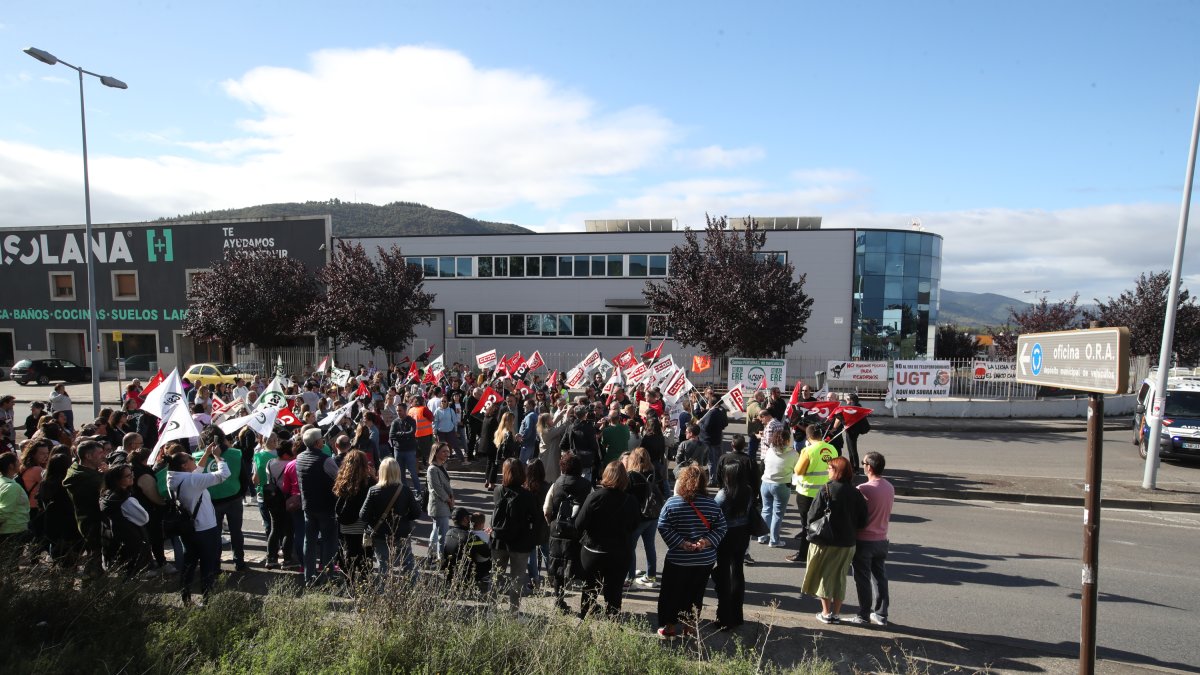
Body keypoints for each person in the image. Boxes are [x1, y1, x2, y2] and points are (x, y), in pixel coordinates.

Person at [655, 465, 726, 639]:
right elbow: (722, 527)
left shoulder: (673, 502)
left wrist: (681, 543)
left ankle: (670, 627)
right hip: (704, 559)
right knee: (695, 593)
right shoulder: (712, 504)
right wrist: (706, 542)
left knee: (672, 593)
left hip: (678, 558)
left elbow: (663, 526)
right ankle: (690, 628)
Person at [802, 457, 868, 624]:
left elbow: (812, 515)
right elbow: (863, 520)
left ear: (837, 471)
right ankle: (836, 614)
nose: (827, 471)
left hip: (826, 541)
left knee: (824, 576)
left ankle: (826, 613)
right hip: (848, 542)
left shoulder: (826, 489)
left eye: (830, 468)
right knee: (839, 577)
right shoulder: (856, 492)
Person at [166, 441, 230, 605]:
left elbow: (196, 472)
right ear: (185, 465)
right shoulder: (192, 481)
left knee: (189, 562)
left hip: (187, 528)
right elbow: (223, 474)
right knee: (208, 565)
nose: (195, 462)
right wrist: (218, 457)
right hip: (204, 527)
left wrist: (206, 454)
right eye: (192, 460)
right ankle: (207, 600)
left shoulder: (173, 478)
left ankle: (185, 597)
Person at [575, 460, 640, 618]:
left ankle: (585, 618)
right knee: (614, 593)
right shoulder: (631, 500)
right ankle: (612, 622)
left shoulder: (595, 497)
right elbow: (634, 526)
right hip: (620, 552)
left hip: (593, 550)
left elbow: (579, 524)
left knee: (589, 589)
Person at [849, 451, 894, 627]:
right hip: (882, 538)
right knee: (880, 577)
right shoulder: (889, 487)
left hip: (864, 539)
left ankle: (863, 614)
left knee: (862, 578)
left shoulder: (863, 489)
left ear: (869, 467)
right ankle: (881, 614)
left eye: (863, 463)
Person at [360, 456, 423, 581]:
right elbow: (416, 513)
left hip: (380, 532)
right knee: (408, 563)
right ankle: (414, 590)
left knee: (383, 564)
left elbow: (363, 515)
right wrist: (404, 518)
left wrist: (374, 520)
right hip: (401, 531)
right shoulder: (405, 490)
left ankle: (382, 592)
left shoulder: (373, 491)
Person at [544, 451, 590, 613]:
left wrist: (552, 522)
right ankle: (586, 603)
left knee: (557, 567)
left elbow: (547, 509)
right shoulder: (586, 485)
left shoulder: (556, 484)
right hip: (578, 532)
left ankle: (559, 599)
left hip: (557, 529)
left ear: (562, 467)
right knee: (581, 567)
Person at [786, 425, 839, 564]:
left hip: (807, 493)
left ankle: (803, 554)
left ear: (808, 437)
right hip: (826, 491)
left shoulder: (807, 450)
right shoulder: (832, 448)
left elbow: (798, 471)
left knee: (807, 525)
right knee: (823, 523)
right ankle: (822, 553)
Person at [490, 458, 537, 612]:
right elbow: (534, 517)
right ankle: (514, 612)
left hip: (499, 540)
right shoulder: (527, 495)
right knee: (517, 579)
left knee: (497, 577)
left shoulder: (498, 491)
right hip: (520, 543)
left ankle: (492, 608)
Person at [296, 427, 341, 585]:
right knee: (329, 542)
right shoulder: (326, 460)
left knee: (309, 542)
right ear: (317, 442)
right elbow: (339, 479)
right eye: (321, 439)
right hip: (326, 506)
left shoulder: (300, 457)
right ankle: (328, 576)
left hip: (308, 505)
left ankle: (309, 576)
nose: (323, 440)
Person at [713, 461, 754, 630]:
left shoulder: (723, 494)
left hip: (725, 536)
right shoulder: (749, 491)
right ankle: (737, 615)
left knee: (723, 575)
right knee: (737, 572)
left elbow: (714, 514)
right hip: (743, 534)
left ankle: (724, 617)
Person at [98, 464, 151, 578]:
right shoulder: (126, 501)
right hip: (130, 542)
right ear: (117, 480)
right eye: (127, 476)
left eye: (131, 473)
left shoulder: (106, 496)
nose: (132, 477)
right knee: (130, 575)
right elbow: (144, 518)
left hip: (115, 542)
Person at [63, 439, 106, 570]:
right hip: (91, 521)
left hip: (85, 520)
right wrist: (106, 475)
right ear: (88, 456)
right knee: (94, 557)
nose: (103, 456)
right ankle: (93, 586)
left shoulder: (76, 469)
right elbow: (106, 492)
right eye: (99, 453)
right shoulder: (86, 478)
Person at [623, 447, 663, 588]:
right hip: (652, 514)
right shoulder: (653, 471)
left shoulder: (632, 476)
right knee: (650, 545)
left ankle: (630, 578)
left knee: (630, 547)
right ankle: (651, 576)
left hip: (638, 516)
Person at [333, 449, 374, 580]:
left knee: (349, 555)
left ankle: (348, 583)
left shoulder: (342, 481)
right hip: (363, 527)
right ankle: (365, 584)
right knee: (365, 557)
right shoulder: (368, 482)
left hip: (346, 525)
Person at [758, 425, 798, 548]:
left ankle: (762, 536)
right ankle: (774, 540)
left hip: (765, 483)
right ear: (787, 440)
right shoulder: (793, 454)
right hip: (781, 485)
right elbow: (797, 469)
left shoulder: (770, 450)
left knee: (766, 510)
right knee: (778, 514)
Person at [37, 453, 79, 562]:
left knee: (55, 546)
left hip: (51, 518)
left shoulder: (45, 483)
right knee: (69, 549)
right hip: (68, 518)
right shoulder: (68, 483)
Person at [260, 441, 295, 569]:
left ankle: (271, 558)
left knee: (275, 528)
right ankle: (287, 559)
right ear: (286, 454)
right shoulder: (290, 464)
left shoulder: (270, 463)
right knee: (288, 530)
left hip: (273, 499)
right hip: (286, 499)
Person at [440, 506, 491, 594]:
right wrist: (485, 537)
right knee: (488, 561)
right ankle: (481, 581)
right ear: (464, 519)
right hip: (463, 576)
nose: (470, 521)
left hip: (449, 574)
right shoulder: (470, 538)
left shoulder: (449, 532)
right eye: (468, 518)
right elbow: (487, 553)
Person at [524, 458, 551, 589]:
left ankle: (534, 580)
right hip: (544, 525)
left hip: (529, 527)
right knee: (547, 551)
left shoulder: (525, 489)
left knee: (531, 555)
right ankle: (552, 577)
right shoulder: (548, 487)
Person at [426, 441, 455, 562]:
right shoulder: (432, 469)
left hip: (444, 504)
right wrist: (448, 499)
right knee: (442, 533)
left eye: (448, 451)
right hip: (439, 505)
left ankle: (431, 554)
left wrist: (451, 497)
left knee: (436, 530)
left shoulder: (441, 466)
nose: (446, 454)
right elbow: (436, 488)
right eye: (444, 451)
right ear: (436, 452)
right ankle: (440, 557)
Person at [696, 392, 729, 486]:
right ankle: (718, 478)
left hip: (708, 440)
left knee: (711, 461)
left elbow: (705, 427)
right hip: (717, 438)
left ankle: (712, 480)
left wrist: (699, 423)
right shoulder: (721, 411)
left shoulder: (711, 413)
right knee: (717, 459)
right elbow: (725, 424)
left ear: (710, 404)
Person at [0, 452, 30, 545]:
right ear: (11, 466)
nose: (20, 463)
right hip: (12, 530)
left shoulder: (2, 481)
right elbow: (4, 511)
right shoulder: (12, 487)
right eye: (17, 461)